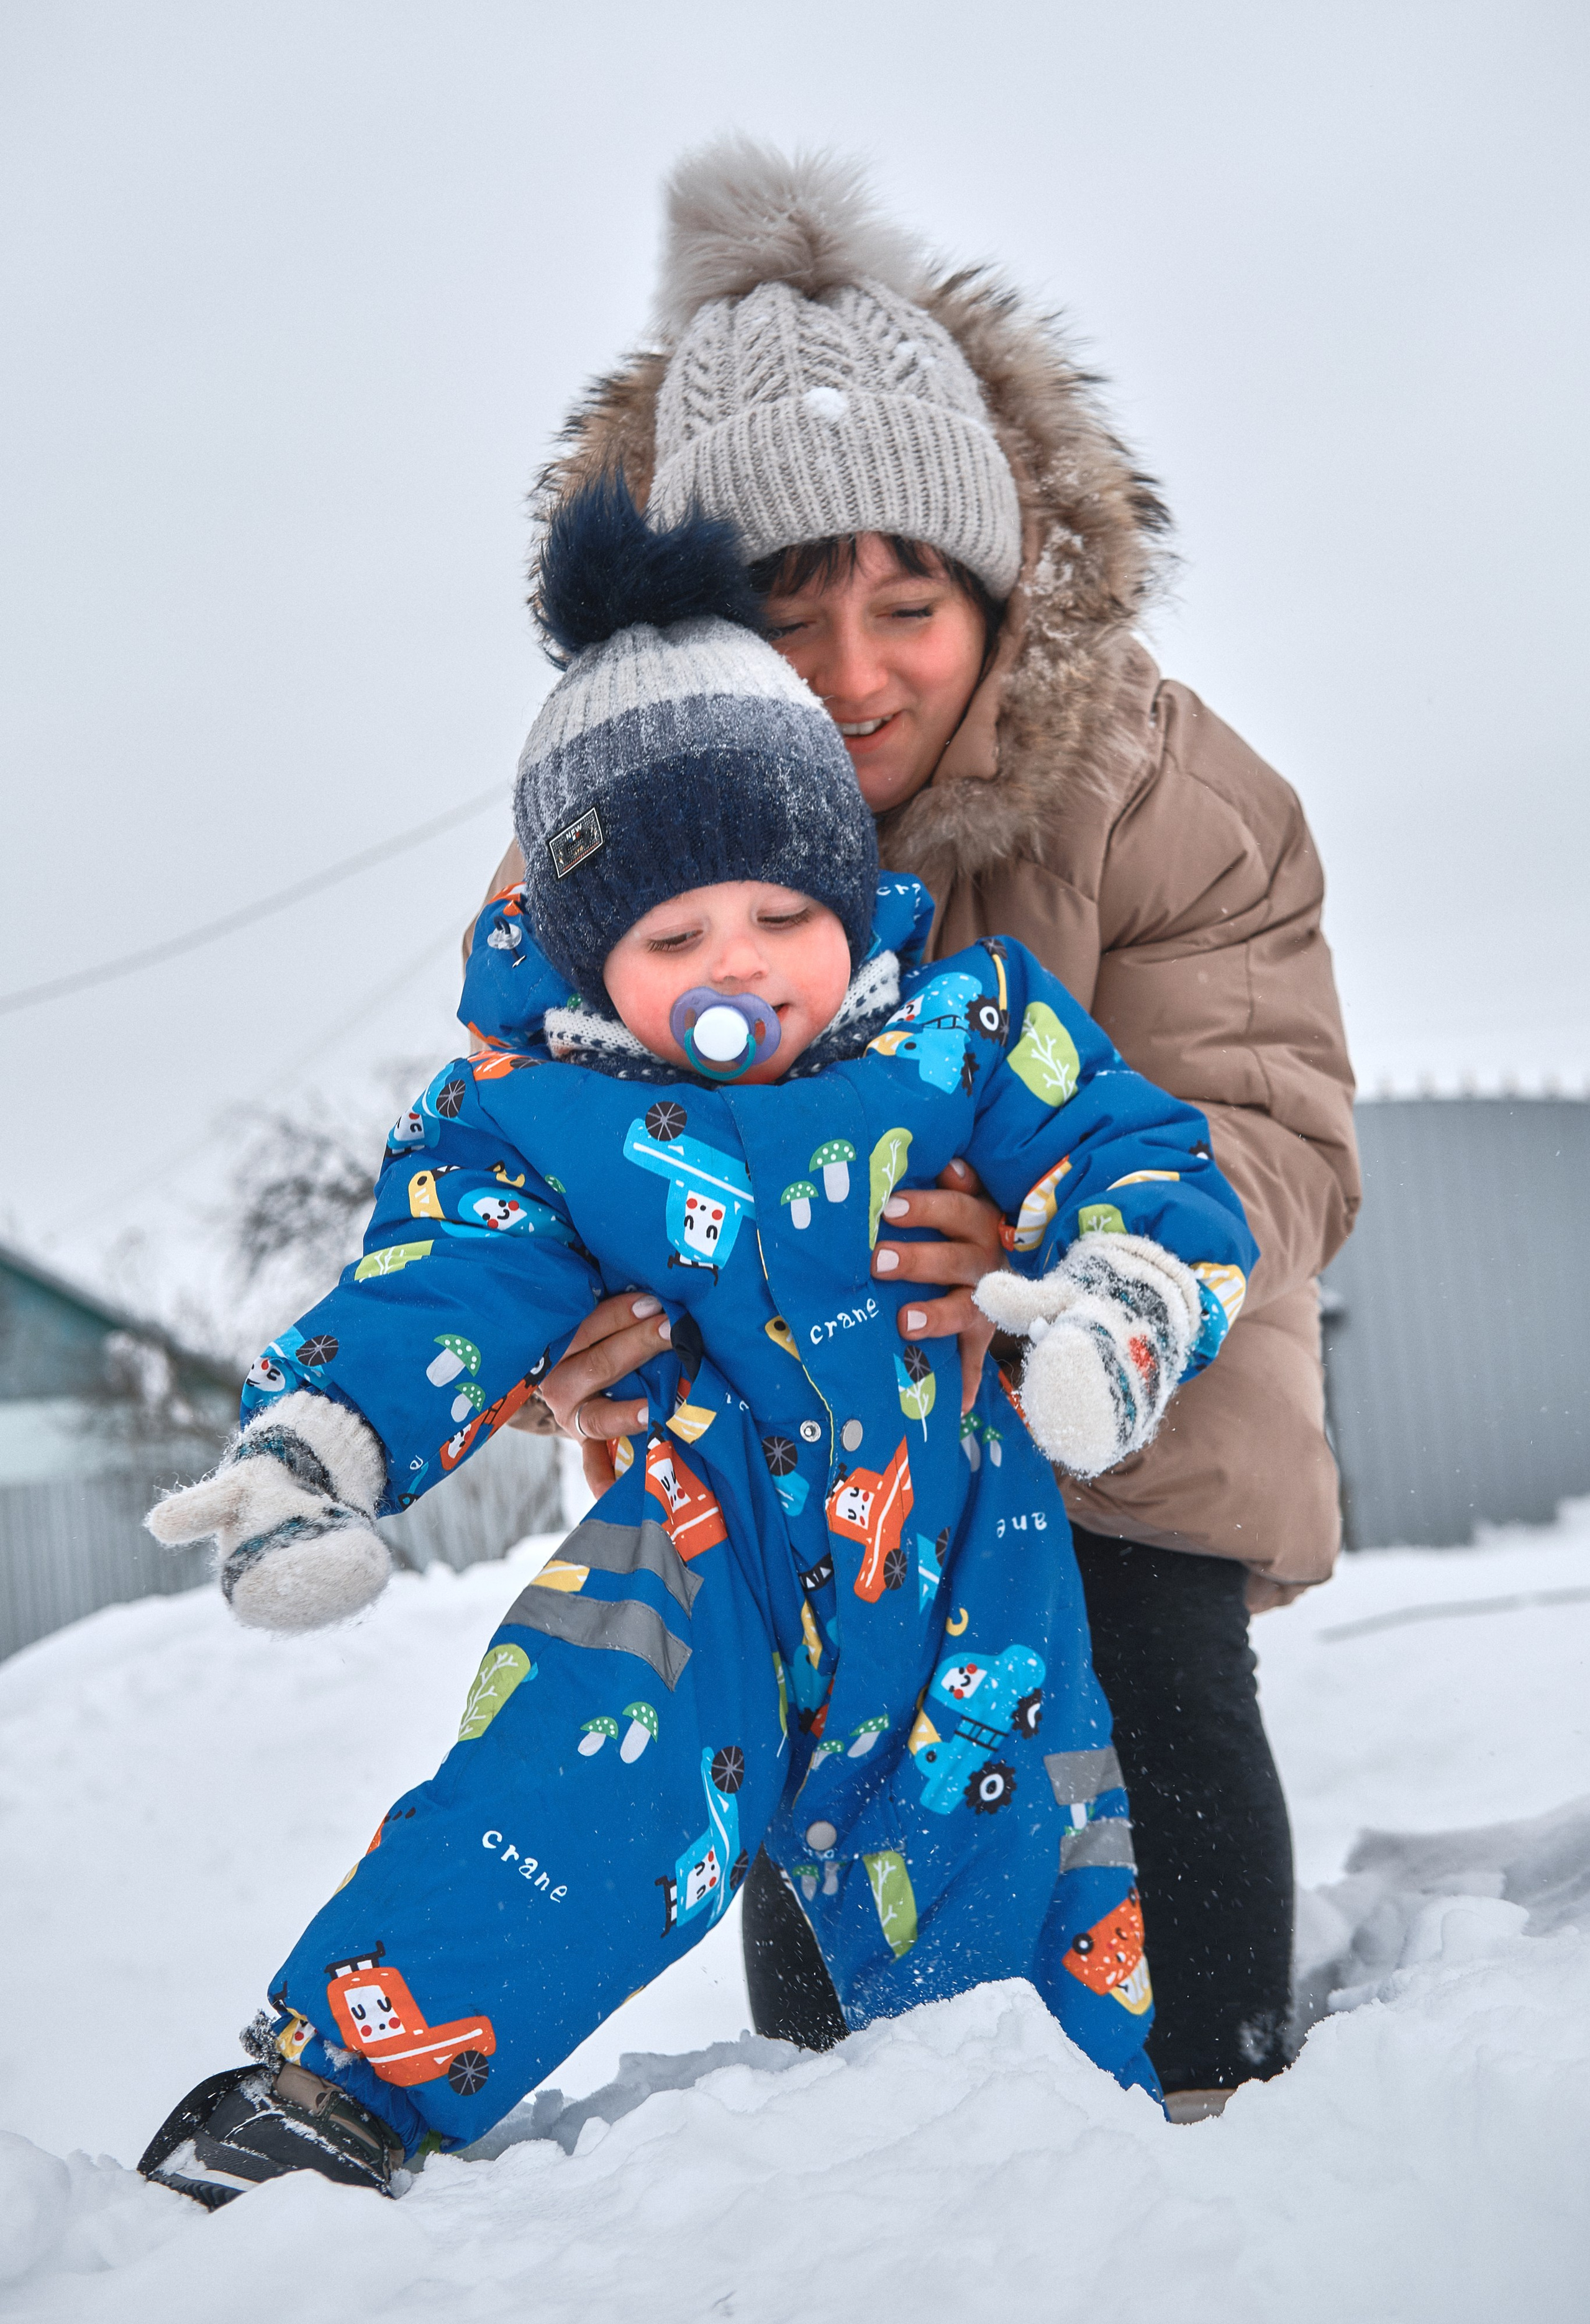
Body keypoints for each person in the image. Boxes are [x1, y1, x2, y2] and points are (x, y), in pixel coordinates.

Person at [135, 481, 1255, 2204]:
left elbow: (1144, 1153)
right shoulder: (537, 1115)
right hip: (701, 1546)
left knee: (1021, 1859)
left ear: (846, 890)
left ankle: (1038, 2170)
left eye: (786, 916)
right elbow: (441, 1287)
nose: (747, 964)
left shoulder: (965, 1031)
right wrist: (319, 1452)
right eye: (676, 938)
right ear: (593, 954)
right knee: (561, 1791)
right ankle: (338, 2091)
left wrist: (1113, 1294)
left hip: (967, 1553)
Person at [486, 140, 1360, 2112]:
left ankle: (1219, 2098)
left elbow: (1272, 1123)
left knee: (1135, 1669)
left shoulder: (1163, 792)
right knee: (830, 1747)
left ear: (999, 585)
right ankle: (865, 2142)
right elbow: (526, 1137)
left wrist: (1078, 1273)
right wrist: (560, 1342)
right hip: (811, 1437)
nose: (860, 673)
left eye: (909, 601)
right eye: (793, 612)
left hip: (1120, 1405)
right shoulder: (628, 834)